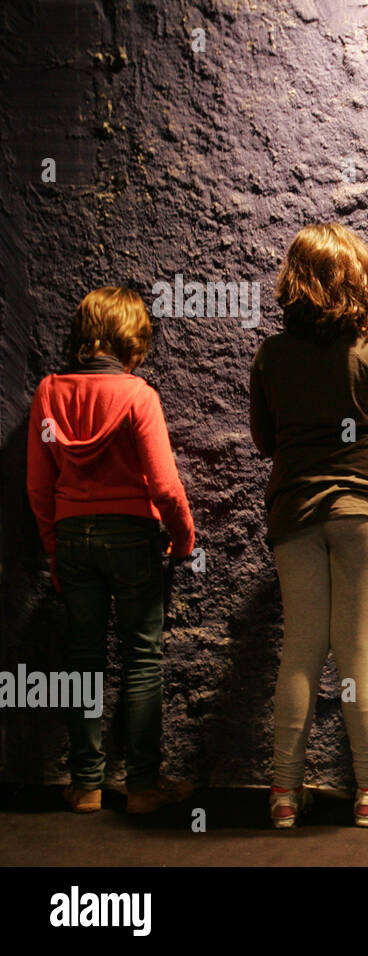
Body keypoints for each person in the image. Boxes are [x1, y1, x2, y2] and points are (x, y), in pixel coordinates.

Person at [250, 223, 368, 828]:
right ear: (355, 280)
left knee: (300, 647)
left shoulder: (271, 355)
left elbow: (265, 440)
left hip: (294, 506)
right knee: (356, 648)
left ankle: (283, 795)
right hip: (363, 506)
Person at [27, 286, 197, 814]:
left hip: (74, 538)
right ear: (131, 339)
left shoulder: (49, 394)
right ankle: (143, 787)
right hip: (132, 537)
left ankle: (86, 785)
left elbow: (39, 485)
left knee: (83, 660)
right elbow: (165, 486)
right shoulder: (137, 396)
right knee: (142, 659)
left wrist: (54, 548)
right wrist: (184, 538)